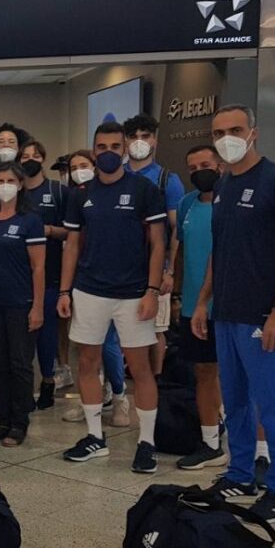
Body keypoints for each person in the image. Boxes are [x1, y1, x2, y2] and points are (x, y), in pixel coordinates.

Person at [191, 104, 275, 523]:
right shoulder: (224, 184)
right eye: (219, 132)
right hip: (227, 314)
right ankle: (240, 475)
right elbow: (219, 250)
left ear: (253, 133)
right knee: (237, 403)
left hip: (264, 318)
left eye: (236, 130)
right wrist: (203, 301)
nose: (228, 138)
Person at [58, 121, 167, 473]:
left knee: (140, 368)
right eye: (102, 147)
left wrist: (152, 290)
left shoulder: (143, 189)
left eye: (115, 147)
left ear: (124, 150)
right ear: (94, 151)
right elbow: (72, 245)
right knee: (87, 364)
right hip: (89, 290)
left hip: (134, 293)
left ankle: (147, 442)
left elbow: (158, 244)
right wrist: (65, 290)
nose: (108, 153)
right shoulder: (81, 194)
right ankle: (94, 437)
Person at [0, 163, 46, 446]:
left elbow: (38, 267)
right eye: (0, 181)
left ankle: (19, 422)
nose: (4, 185)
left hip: (20, 302)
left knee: (20, 364)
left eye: (10, 180)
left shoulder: (30, 220)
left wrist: (37, 307)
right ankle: (3, 420)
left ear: (20, 185)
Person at [60, 149, 128, 424]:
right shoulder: (76, 197)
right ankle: (89, 399)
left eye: (84, 165)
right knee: (84, 346)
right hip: (82, 279)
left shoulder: (115, 194)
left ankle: (120, 397)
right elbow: (72, 241)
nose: (79, 171)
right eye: (74, 167)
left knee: (108, 343)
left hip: (112, 281)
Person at [174, 144, 230, 471]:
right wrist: (176, 290)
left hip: (232, 305)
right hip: (194, 305)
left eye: (205, 165)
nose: (199, 172)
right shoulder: (187, 204)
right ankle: (211, 443)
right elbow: (181, 250)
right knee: (204, 372)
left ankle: (258, 451)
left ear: (220, 165)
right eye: (193, 168)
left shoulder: (232, 202)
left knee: (241, 377)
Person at [124, 114, 187, 375]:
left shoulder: (167, 180)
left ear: (155, 141)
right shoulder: (114, 175)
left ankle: (156, 379)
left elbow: (176, 228)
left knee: (156, 329)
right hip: (119, 268)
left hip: (155, 267)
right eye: (133, 137)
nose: (139, 141)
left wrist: (169, 270)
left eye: (145, 136)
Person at [19, 140, 68, 410]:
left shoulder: (56, 191)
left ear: (43, 158)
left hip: (50, 272)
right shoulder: (14, 192)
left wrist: (46, 230)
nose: (30, 159)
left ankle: (48, 380)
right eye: (25, 156)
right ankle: (24, 387)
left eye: (35, 155)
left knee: (46, 333)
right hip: (19, 274)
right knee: (21, 336)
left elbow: (70, 231)